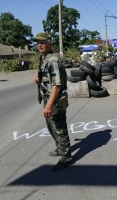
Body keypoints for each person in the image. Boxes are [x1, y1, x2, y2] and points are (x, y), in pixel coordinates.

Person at [32, 32, 72, 171]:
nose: (39, 45)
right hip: (47, 98)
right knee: (51, 126)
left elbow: (57, 85)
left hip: (55, 100)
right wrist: (39, 79)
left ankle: (66, 157)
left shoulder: (53, 60)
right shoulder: (44, 58)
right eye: (37, 42)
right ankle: (59, 148)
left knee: (60, 128)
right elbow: (47, 78)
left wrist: (49, 105)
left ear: (50, 43)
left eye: (42, 42)